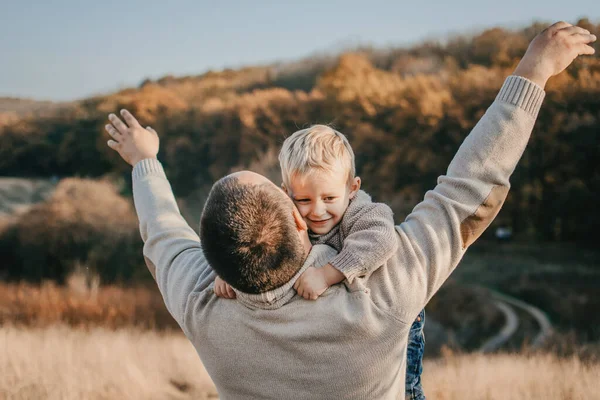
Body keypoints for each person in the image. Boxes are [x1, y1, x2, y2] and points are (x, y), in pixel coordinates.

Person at [104, 22, 595, 399]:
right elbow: (469, 190)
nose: (318, 209)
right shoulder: (384, 290)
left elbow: (163, 233)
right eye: (298, 198)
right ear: (295, 215)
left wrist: (145, 161)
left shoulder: (203, 302)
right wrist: (532, 72)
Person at [213, 124, 428, 398]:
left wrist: (328, 273)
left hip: (395, 320)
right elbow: (254, 243)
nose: (316, 210)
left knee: (407, 389)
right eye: (303, 198)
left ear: (352, 187)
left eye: (329, 198)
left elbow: (381, 239)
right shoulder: (289, 217)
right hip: (340, 329)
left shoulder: (361, 212)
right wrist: (227, 272)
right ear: (285, 193)